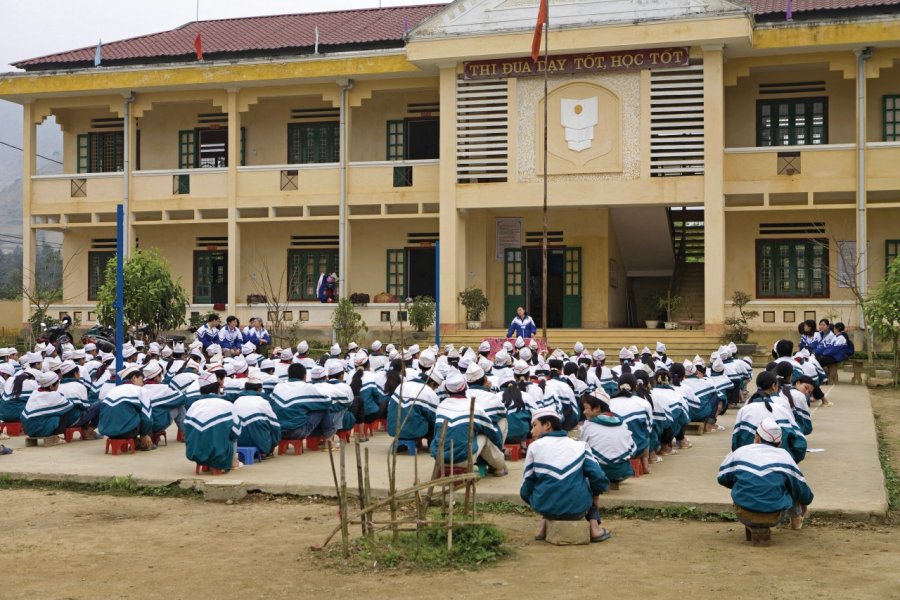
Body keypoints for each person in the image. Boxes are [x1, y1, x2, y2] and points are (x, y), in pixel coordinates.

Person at [521, 407, 611, 543]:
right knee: (587, 479)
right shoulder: (580, 446)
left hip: (545, 507)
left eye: (534, 425)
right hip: (578, 508)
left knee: (543, 481)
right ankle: (594, 528)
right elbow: (598, 477)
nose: (531, 431)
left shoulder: (534, 447)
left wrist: (539, 501)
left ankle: (543, 525)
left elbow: (527, 485)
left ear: (547, 425)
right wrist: (596, 495)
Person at [718, 418, 813, 540]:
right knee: (792, 485)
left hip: (744, 513)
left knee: (742, 481)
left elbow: (722, 478)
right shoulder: (785, 456)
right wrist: (804, 502)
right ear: (779, 443)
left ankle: (751, 514)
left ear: (757, 438)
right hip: (774, 515)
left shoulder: (740, 452)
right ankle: (796, 519)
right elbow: (804, 492)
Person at [430, 371, 507, 476]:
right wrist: (498, 449)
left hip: (440, 457)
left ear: (447, 390)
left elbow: (436, 434)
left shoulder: (441, 406)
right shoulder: (474, 407)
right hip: (463, 459)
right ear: (466, 387)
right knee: (485, 435)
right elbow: (492, 432)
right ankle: (499, 467)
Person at [733, 371, 807, 464]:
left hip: (748, 463)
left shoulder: (745, 409)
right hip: (779, 463)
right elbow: (800, 443)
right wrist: (790, 460)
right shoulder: (782, 408)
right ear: (774, 386)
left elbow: (736, 442)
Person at [184, 371, 242, 471]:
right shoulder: (226, 405)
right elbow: (237, 432)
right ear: (218, 389)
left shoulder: (193, 406)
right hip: (219, 454)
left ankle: (206, 463)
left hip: (194, 454)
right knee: (232, 435)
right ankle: (231, 461)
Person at [580, 392, 636, 489]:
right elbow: (633, 449)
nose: (584, 412)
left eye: (586, 408)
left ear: (597, 408)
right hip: (621, 471)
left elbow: (581, 449)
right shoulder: (622, 424)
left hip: (598, 471)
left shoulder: (588, 425)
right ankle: (614, 481)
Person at [270, 363, 333, 442]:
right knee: (323, 408)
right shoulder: (307, 387)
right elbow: (327, 401)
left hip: (278, 431)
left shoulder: (278, 387)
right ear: (304, 376)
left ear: (289, 375)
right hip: (297, 432)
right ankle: (329, 439)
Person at [99, 364, 153, 451]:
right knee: (144, 415)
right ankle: (142, 442)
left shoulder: (113, 390)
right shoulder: (140, 390)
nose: (143, 383)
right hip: (128, 432)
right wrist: (144, 434)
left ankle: (135, 441)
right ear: (134, 378)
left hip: (107, 431)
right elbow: (147, 418)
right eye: (141, 380)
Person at [21, 371, 82, 445]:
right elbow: (70, 404)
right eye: (57, 384)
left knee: (55, 412)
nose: (58, 385)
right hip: (42, 430)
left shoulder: (35, 393)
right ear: (51, 386)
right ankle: (52, 435)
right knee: (69, 411)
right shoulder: (53, 395)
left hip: (29, 430)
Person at [234, 370, 281, 456]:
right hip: (261, 445)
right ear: (260, 389)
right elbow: (275, 427)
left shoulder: (236, 402)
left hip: (238, 444)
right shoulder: (263, 402)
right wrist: (273, 444)